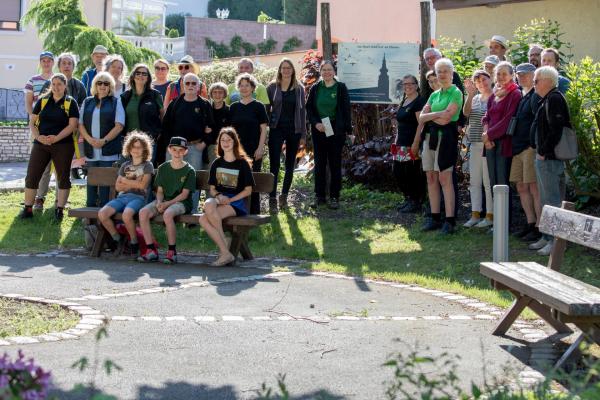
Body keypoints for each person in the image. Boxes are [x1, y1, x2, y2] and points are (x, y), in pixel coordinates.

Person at [19, 74, 79, 222]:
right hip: (41, 144)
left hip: (63, 145)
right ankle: (28, 208)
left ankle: (59, 210)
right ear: (50, 85)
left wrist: (56, 138)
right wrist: (38, 137)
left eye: (59, 84)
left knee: (63, 177)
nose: (56, 87)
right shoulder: (42, 101)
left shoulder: (70, 103)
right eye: (54, 84)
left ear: (65, 86)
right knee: (32, 175)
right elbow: (32, 123)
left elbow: (72, 126)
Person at [414, 58, 463, 234]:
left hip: (446, 139)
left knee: (445, 179)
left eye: (445, 71)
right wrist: (439, 113)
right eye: (439, 71)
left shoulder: (456, 93)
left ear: (451, 73)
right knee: (431, 178)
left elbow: (447, 119)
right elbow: (421, 118)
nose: (442, 74)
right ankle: (434, 217)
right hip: (430, 139)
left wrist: (431, 116)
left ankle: (449, 220)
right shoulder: (434, 95)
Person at [529, 66, 571, 256]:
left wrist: (543, 151)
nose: (534, 84)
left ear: (547, 81)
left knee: (552, 200)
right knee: (548, 200)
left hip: (550, 159)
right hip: (547, 158)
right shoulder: (549, 98)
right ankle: (547, 237)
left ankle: (555, 242)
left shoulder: (554, 98)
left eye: (536, 80)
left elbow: (556, 129)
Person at [200, 127, 255, 267]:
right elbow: (212, 189)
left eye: (228, 140)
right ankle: (225, 248)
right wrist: (219, 196)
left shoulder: (242, 163)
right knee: (208, 204)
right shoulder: (217, 163)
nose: (225, 142)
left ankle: (224, 252)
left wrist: (230, 200)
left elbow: (248, 190)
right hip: (220, 199)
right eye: (222, 140)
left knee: (203, 219)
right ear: (219, 143)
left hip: (235, 203)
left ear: (234, 142)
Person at [137, 137, 196, 264]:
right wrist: (159, 202)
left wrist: (166, 204)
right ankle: (151, 250)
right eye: (174, 149)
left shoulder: (189, 171)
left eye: (181, 150)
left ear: (185, 152)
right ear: (169, 150)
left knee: (168, 214)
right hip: (164, 200)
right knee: (143, 212)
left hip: (181, 203)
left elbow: (184, 195)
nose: (177, 153)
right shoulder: (163, 168)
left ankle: (172, 252)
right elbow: (160, 191)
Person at [162, 73, 214, 213]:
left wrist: (203, 143)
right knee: (172, 179)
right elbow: (166, 127)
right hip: (175, 150)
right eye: (187, 83)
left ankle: (192, 213)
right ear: (183, 85)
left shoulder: (204, 104)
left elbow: (212, 127)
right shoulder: (175, 103)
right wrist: (168, 145)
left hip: (195, 148)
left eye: (193, 83)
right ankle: (171, 211)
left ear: (198, 86)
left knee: (193, 181)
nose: (190, 86)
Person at [97, 131, 153, 258]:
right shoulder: (125, 165)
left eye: (139, 147)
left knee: (127, 215)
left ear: (145, 149)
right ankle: (118, 239)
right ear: (128, 148)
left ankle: (133, 242)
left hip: (138, 198)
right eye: (133, 146)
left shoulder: (147, 165)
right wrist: (135, 182)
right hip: (122, 197)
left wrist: (126, 182)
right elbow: (117, 186)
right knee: (102, 214)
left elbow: (143, 186)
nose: (136, 149)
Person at [306, 60, 352, 210]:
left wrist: (349, 131)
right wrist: (315, 123)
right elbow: (309, 109)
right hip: (319, 129)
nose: (326, 72)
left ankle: (334, 197)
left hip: (336, 130)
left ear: (334, 71)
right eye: (324, 70)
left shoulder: (340, 88)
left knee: (334, 164)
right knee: (319, 163)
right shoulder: (315, 88)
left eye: (329, 70)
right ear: (321, 72)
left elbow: (346, 110)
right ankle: (319, 196)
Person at [79, 72, 126, 207]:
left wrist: (103, 141)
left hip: (108, 151)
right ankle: (90, 217)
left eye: (106, 83)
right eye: (99, 83)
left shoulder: (116, 102)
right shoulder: (87, 102)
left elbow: (119, 125)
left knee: (106, 186)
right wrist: (89, 139)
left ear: (110, 86)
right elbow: (80, 124)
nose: (102, 86)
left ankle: (104, 217)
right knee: (91, 183)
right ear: (95, 85)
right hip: (91, 150)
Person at [266, 58, 307, 209]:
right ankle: (272, 199)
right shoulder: (272, 87)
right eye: (283, 68)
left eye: (289, 68)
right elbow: (266, 110)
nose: (286, 70)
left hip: (294, 130)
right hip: (276, 129)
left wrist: (303, 134)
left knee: (290, 164)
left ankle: (283, 196)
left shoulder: (299, 88)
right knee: (274, 165)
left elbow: (302, 112)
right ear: (280, 70)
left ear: (293, 70)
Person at [510, 63, 542, 242]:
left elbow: (538, 122)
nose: (521, 77)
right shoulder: (522, 95)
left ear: (533, 76)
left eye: (525, 74)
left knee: (533, 188)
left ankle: (538, 227)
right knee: (521, 187)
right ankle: (530, 224)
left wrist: (534, 145)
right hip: (517, 148)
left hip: (529, 148)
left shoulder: (536, 96)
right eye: (519, 74)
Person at [229, 73, 268, 214]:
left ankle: (254, 212)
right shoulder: (233, 108)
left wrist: (260, 148)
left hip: (253, 150)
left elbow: (263, 129)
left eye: (247, 85)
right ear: (238, 88)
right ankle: (236, 210)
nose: (244, 88)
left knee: (252, 180)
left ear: (253, 88)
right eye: (241, 85)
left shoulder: (259, 107)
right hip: (236, 151)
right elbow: (229, 132)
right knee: (235, 181)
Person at [482, 62, 521, 190]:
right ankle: (496, 211)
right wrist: (486, 136)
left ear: (512, 75)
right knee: (492, 181)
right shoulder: (494, 95)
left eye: (504, 74)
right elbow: (486, 117)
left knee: (502, 182)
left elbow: (507, 120)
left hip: (504, 143)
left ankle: (504, 211)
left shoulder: (515, 94)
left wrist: (488, 135)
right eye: (498, 73)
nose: (501, 76)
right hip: (489, 142)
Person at [24, 51, 55, 211]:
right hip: (37, 128)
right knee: (37, 164)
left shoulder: (57, 80)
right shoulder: (32, 81)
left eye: (49, 60)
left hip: (55, 129)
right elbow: (29, 103)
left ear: (53, 62)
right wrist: (33, 122)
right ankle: (33, 197)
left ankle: (41, 197)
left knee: (51, 166)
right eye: (44, 60)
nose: (46, 63)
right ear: (40, 62)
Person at [463, 70, 493, 228]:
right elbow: (466, 113)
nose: (482, 83)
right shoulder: (474, 98)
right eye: (478, 81)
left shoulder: (496, 96)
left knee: (488, 182)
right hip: (474, 144)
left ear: (490, 79)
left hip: (488, 145)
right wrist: (469, 94)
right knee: (474, 181)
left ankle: (489, 215)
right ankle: (475, 214)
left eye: (484, 79)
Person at [392, 74, 426, 213]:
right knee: (398, 172)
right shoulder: (404, 99)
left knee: (411, 173)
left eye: (410, 84)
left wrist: (416, 143)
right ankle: (408, 198)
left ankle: (415, 201)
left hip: (411, 143)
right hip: (400, 143)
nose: (407, 86)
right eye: (405, 84)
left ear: (416, 85)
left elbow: (421, 124)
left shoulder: (419, 101)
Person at [121, 64, 164, 164]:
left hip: (149, 141)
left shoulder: (155, 95)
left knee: (145, 171)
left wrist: (158, 133)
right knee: (128, 171)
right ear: (133, 76)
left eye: (144, 74)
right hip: (129, 142)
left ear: (148, 77)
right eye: (138, 73)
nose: (141, 76)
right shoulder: (125, 96)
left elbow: (163, 116)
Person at [207, 82, 231, 166]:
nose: (217, 95)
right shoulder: (206, 110)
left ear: (225, 94)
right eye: (215, 92)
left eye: (220, 92)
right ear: (211, 94)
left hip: (226, 146)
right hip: (209, 146)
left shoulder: (229, 111)